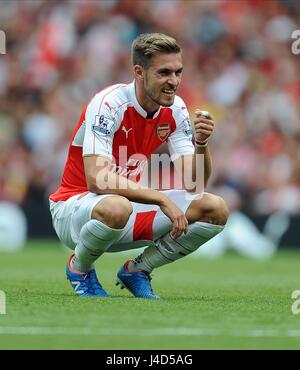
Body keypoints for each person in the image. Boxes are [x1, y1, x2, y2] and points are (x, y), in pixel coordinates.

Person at [49, 33, 229, 299]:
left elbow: (194, 183)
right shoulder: (108, 103)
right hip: (75, 208)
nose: (174, 82)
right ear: (139, 72)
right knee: (116, 205)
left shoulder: (176, 109)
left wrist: (201, 144)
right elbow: (97, 180)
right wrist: (159, 198)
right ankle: (80, 268)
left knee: (215, 208)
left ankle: (138, 270)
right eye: (164, 73)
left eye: (178, 72)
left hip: (125, 210)